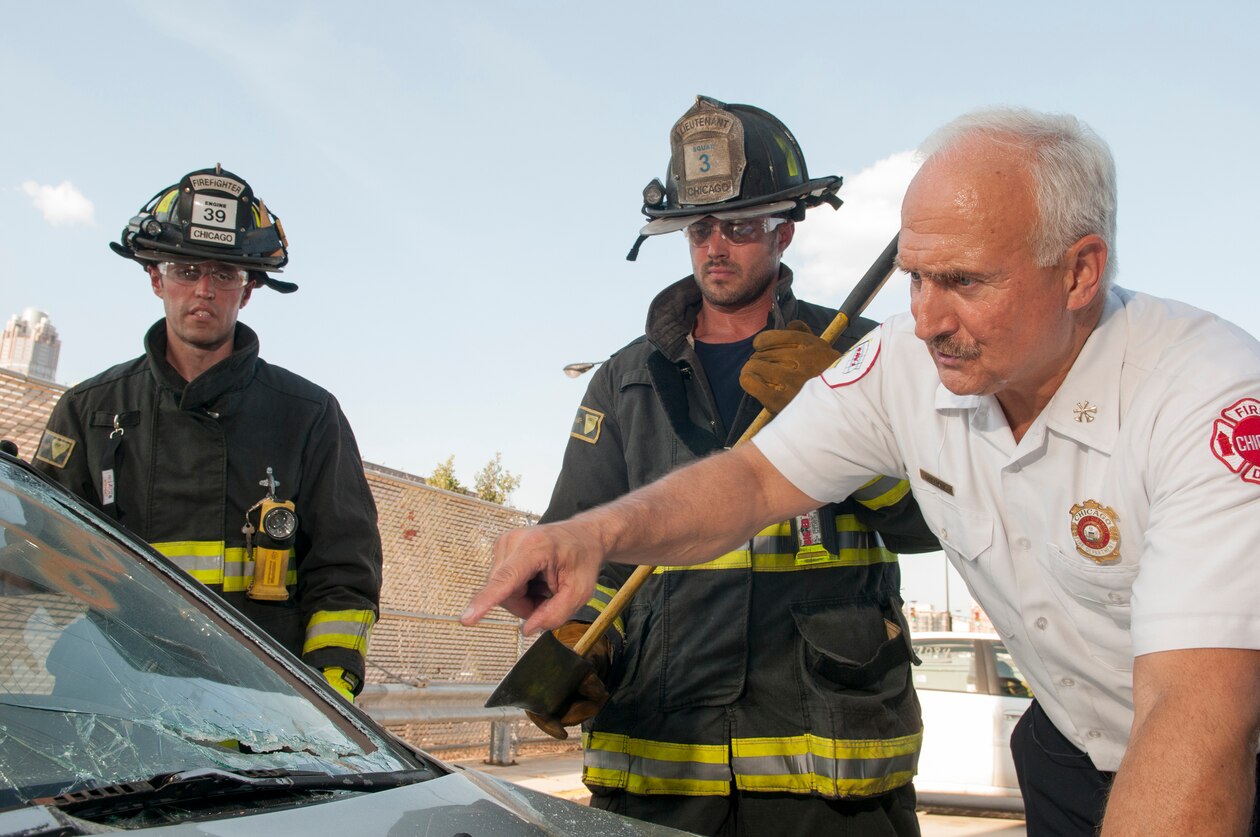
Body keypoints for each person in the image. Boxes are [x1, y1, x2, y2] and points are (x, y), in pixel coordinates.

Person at [465, 107, 1260, 836]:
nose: (926, 320)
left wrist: (863, 468)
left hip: (1205, 750)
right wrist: (595, 535)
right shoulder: (892, 362)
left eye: (964, 280)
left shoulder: (1210, 400)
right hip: (1055, 747)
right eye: (914, 277)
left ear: (1080, 271)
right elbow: (750, 483)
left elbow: (1198, 710)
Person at [531, 96, 939, 837]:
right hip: (663, 771)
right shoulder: (624, 382)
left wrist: (843, 416)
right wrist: (579, 644)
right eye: (700, 228)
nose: (716, 246)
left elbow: (936, 519)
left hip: (832, 784)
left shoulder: (864, 356)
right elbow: (586, 550)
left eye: (741, 226)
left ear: (785, 231)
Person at [33, 166, 382, 703]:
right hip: (113, 705)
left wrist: (326, 699)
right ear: (156, 279)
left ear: (249, 290)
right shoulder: (89, 410)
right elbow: (42, 561)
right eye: (186, 270)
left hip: (265, 714)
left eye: (224, 274)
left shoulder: (309, 416)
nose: (204, 289)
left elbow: (344, 572)